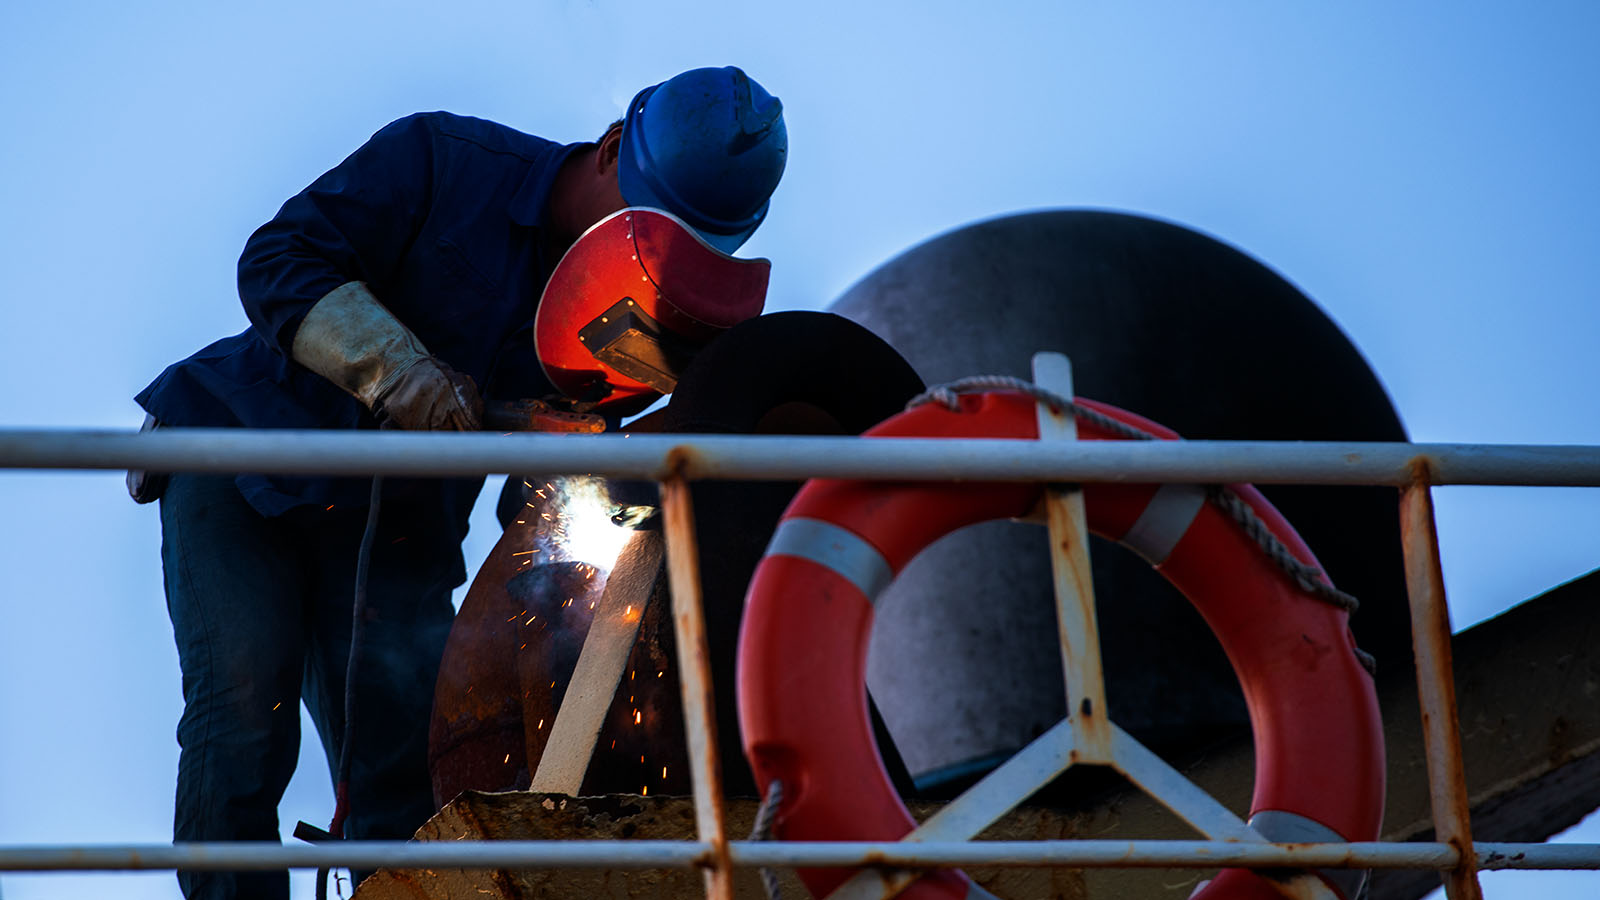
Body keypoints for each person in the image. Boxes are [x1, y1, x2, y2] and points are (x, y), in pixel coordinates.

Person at [130, 66, 786, 900]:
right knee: (243, 716)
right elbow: (277, 260)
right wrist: (393, 367)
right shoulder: (445, 160)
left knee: (408, 770)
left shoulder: (632, 310)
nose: (641, 257)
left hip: (400, 523)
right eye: (642, 225)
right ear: (611, 149)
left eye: (671, 248)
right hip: (240, 452)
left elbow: (544, 492)